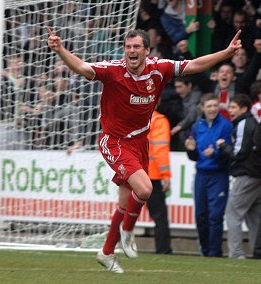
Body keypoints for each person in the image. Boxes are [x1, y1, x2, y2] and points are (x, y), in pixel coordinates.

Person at [46, 27, 242, 273]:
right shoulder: (114, 70)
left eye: (137, 47)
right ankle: (127, 231)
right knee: (145, 188)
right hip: (114, 141)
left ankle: (107, 253)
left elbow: (194, 65)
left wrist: (226, 53)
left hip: (140, 142)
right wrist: (61, 49)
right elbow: (83, 68)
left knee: (125, 201)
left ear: (147, 51)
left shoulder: (159, 68)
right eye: (128, 47)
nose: (131, 51)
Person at [185, 93, 233, 257]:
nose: (212, 109)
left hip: (218, 175)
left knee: (215, 216)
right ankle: (205, 252)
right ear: (202, 108)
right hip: (201, 175)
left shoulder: (226, 125)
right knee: (201, 215)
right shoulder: (197, 126)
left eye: (215, 105)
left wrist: (216, 153)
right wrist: (190, 149)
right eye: (209, 106)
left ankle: (214, 253)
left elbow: (229, 154)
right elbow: (194, 156)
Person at [216, 94, 261, 259]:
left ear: (244, 109)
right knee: (255, 216)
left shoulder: (243, 123)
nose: (230, 110)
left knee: (233, 213)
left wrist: (223, 146)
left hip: (246, 174)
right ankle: (257, 253)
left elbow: (239, 152)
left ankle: (236, 254)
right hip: (257, 174)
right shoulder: (254, 121)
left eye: (233, 107)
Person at [147, 107, 172, 254]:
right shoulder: (158, 120)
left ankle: (113, 246)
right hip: (152, 176)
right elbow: (160, 149)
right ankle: (163, 249)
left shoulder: (133, 117)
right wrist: (166, 174)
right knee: (159, 216)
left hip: (131, 173)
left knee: (126, 213)